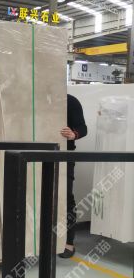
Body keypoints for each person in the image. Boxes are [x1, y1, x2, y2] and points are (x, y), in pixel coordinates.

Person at [59, 94, 87, 258]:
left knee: (65, 197)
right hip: (36, 154)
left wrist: (73, 134)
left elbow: (83, 128)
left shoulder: (69, 100)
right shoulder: (36, 99)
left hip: (65, 155)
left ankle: (68, 242)